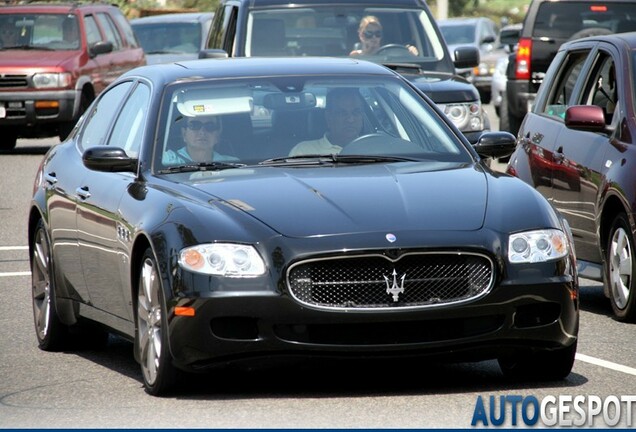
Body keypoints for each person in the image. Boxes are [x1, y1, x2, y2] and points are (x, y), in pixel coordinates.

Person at [289, 88, 364, 156]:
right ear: (328, 117)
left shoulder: (372, 149)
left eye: (356, 112)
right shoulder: (303, 152)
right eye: (342, 113)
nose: (350, 119)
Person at [163, 115, 237, 164]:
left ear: (217, 136)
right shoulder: (165, 160)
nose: (202, 132)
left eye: (210, 126)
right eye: (195, 125)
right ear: (184, 134)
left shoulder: (232, 164)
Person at [349, 15, 418, 56]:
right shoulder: (356, 55)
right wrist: (368, 52)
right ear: (361, 35)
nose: (374, 37)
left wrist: (411, 54)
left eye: (377, 34)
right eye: (369, 34)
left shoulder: (389, 55)